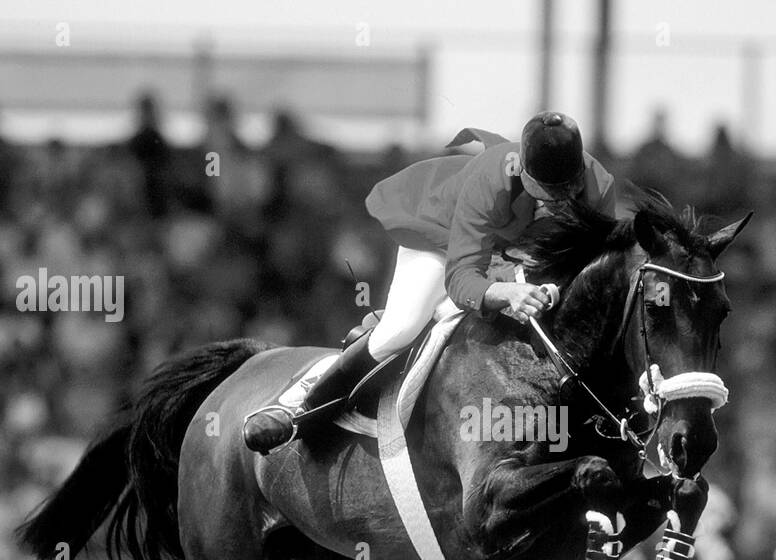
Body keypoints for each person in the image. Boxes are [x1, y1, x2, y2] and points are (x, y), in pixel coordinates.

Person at [242, 111, 617, 454]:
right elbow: (461, 277)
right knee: (404, 327)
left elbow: (591, 270)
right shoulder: (491, 179)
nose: (555, 206)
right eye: (545, 195)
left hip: (515, 254)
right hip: (442, 237)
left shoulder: (600, 187)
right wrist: (505, 292)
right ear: (522, 169)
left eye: (564, 195)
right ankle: (300, 405)